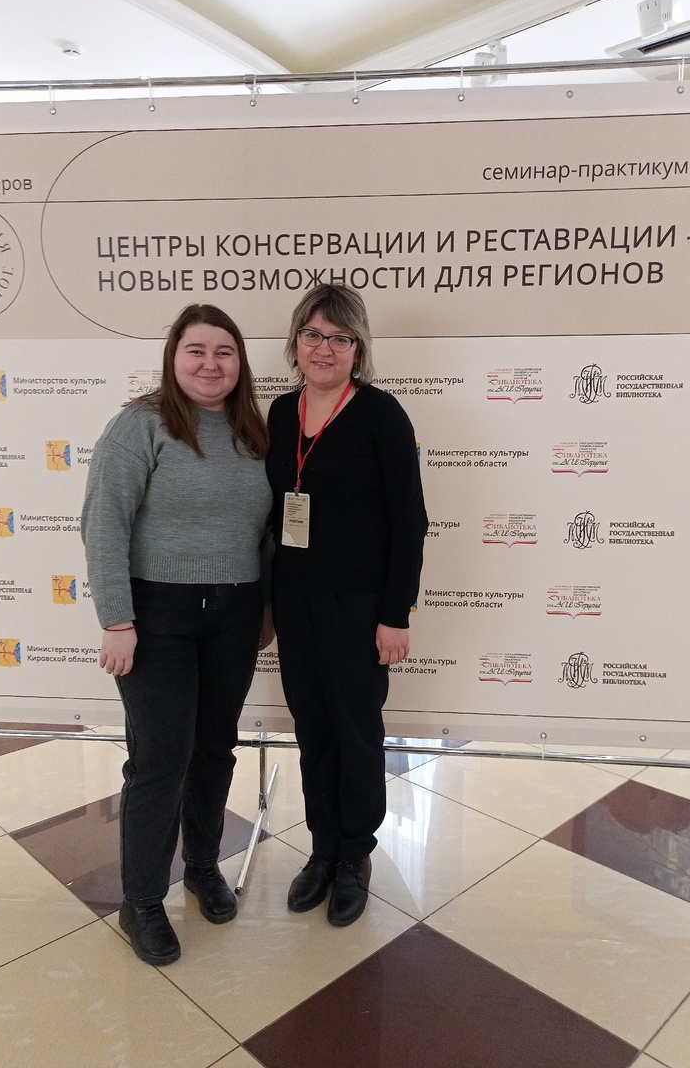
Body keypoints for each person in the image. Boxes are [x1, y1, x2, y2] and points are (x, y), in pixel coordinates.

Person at [81, 303, 273, 966]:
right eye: (196, 350)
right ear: (173, 357)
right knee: (161, 758)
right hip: (156, 615)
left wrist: (264, 613)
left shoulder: (254, 430)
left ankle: (202, 865)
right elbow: (103, 522)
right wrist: (116, 620)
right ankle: (141, 901)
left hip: (234, 613)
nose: (210, 364)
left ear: (240, 361)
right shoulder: (140, 425)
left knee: (215, 749)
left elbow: (267, 529)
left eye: (224, 351)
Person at [266, 283, 427, 927]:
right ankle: (323, 846)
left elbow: (409, 520)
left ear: (358, 348)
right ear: (295, 343)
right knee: (312, 726)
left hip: (359, 607)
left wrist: (396, 614)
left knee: (355, 729)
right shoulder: (281, 413)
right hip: (295, 599)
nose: (324, 348)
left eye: (339, 337)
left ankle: (355, 853)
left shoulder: (382, 414)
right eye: (313, 334)